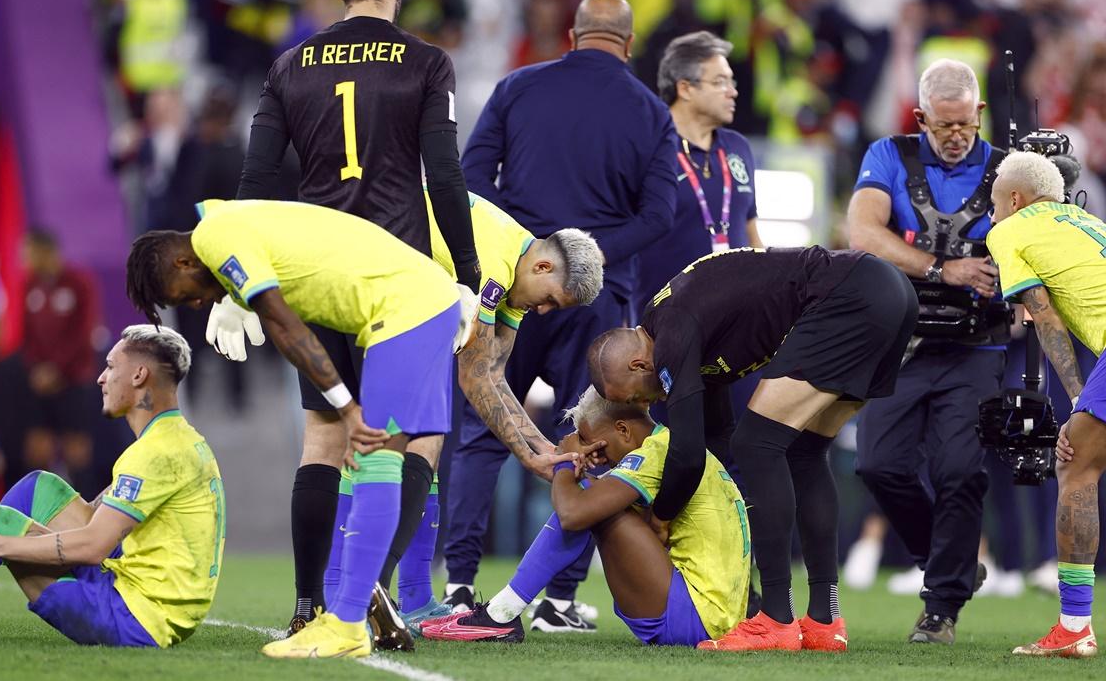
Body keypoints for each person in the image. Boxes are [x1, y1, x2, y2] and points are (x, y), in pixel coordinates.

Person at [218, 0, 481, 634]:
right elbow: (444, 174)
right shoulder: (427, 62)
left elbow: (256, 182)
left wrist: (234, 280)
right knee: (412, 440)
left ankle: (306, 604)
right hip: (400, 282)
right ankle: (370, 586)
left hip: (318, 275)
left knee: (323, 439)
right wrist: (469, 274)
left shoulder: (289, 65)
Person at [124, 199, 469, 659]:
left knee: (375, 454)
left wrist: (347, 408)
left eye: (184, 293)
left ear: (183, 260)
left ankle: (347, 623)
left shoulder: (215, 238)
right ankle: (349, 616)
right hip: (417, 302)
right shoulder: (222, 221)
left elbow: (286, 327)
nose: (197, 302)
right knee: (382, 457)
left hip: (402, 309)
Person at [446, 0, 679, 629]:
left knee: (480, 434)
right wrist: (587, 260)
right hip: (600, 311)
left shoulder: (519, 86)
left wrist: (536, 253)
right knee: (592, 444)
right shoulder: (651, 112)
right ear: (629, 45)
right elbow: (659, 215)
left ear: (574, 34)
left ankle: (460, 585)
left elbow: (467, 177)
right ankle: (557, 598)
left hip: (513, 285)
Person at [588, 247, 917, 651]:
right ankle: (823, 621)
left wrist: (660, 516)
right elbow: (716, 438)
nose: (646, 406)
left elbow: (688, 454)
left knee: (758, 444)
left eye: (636, 397)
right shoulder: (679, 329)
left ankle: (776, 620)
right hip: (890, 291)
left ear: (639, 365)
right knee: (804, 452)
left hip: (849, 295)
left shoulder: (670, 336)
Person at [324, 192, 603, 628]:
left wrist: (545, 447)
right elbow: (473, 379)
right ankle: (346, 594)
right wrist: (531, 458)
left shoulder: (519, 271)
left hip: (399, 302)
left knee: (427, 442)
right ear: (544, 267)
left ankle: (412, 598)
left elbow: (495, 376)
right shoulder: (494, 269)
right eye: (550, 299)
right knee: (395, 442)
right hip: (361, 288)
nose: (544, 311)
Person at [0, 325, 224, 648]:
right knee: (37, 488)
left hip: (131, 619)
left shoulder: (154, 454)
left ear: (140, 375)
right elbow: (100, 520)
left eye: (111, 366)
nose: (101, 378)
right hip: (155, 605)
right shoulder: (180, 439)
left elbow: (92, 547)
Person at [847, 58, 1008, 644]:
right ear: (921, 119)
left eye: (965, 124)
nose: (956, 136)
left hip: (976, 347)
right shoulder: (888, 154)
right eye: (943, 127)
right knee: (876, 464)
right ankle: (947, 561)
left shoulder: (1006, 169)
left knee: (960, 471)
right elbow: (862, 233)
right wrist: (947, 268)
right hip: (902, 341)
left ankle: (941, 604)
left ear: (979, 114)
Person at [422, 387, 749, 647]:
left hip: (693, 620)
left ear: (623, 429)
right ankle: (503, 612)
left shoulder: (654, 452)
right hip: (715, 616)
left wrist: (566, 463)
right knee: (592, 496)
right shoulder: (671, 446)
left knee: (589, 505)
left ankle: (501, 614)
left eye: (598, 448)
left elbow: (572, 515)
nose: (596, 459)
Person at [985, 152, 1105, 658]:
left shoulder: (1009, 232)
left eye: (993, 203)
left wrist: (1077, 398)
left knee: (1075, 467)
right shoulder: (1087, 220)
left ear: (1015, 199)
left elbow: (1044, 315)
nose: (991, 215)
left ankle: (1075, 627)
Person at [638, 30, 762, 305]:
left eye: (732, 81)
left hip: (734, 319)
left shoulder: (738, 147)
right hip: (662, 322)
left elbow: (750, 229)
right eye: (720, 82)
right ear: (685, 88)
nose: (733, 91)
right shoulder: (648, 149)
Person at [19, 229, 102, 495]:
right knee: (37, 448)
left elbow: (83, 333)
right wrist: (37, 369)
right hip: (39, 383)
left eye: (29, 251)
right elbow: (27, 335)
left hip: (73, 379)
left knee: (76, 449)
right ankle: (39, 513)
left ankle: (87, 509)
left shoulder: (79, 283)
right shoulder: (29, 285)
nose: (25, 257)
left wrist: (56, 369)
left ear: (46, 252)